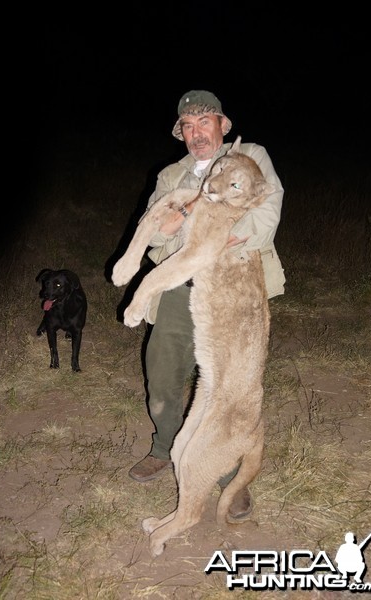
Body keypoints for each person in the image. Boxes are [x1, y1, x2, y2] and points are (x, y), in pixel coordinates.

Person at [128, 90, 285, 521]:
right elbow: (154, 234)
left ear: (222, 125)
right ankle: (164, 447)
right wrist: (169, 226)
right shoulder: (170, 175)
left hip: (235, 288)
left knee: (231, 386)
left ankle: (227, 472)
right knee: (162, 370)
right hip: (183, 285)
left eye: (205, 123)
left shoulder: (251, 156)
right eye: (189, 127)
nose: (197, 134)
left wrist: (225, 237)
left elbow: (268, 207)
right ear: (182, 133)